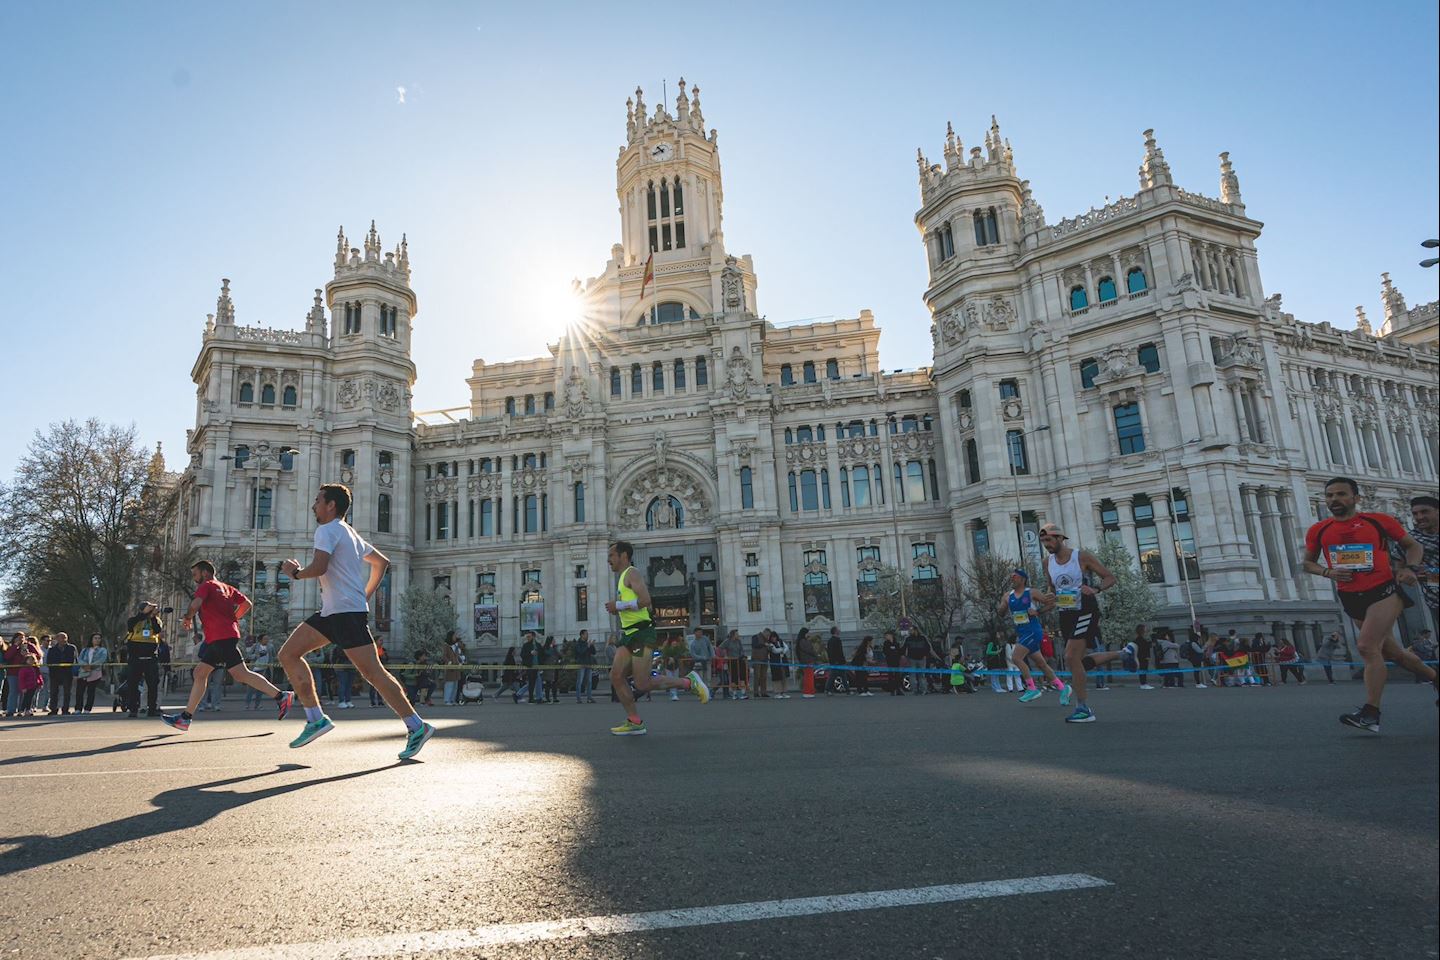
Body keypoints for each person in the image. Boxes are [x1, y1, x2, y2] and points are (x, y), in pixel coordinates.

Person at [275, 482, 435, 758]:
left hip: (345, 613)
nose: (314, 506)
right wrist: (365, 594)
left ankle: (416, 726)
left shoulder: (326, 530)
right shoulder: (349, 533)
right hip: (333, 612)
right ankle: (315, 718)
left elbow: (320, 567)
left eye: (317, 501)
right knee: (288, 653)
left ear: (331, 505)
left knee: (373, 673)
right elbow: (381, 562)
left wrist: (295, 573)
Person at [1302, 476, 1438, 732]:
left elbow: (1413, 546)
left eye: (1341, 494)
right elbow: (1308, 563)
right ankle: (1436, 679)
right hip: (1350, 596)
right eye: (1330, 496)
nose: (1335, 500)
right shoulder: (1319, 529)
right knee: (1393, 653)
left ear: (1355, 498)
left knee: (1366, 646)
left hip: (1383, 591)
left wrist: (1409, 568)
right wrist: (1328, 573)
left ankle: (1371, 713)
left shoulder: (1378, 521)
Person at [163, 561, 293, 732]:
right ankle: (185, 718)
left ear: (205, 572)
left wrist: (187, 618)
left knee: (240, 674)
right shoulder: (226, 587)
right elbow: (247, 604)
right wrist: (233, 619)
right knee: (200, 673)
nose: (194, 578)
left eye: (195, 574)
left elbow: (196, 604)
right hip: (221, 637)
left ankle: (281, 696)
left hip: (220, 638)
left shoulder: (207, 585)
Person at [603, 540, 708, 735]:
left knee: (642, 683)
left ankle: (688, 682)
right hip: (630, 635)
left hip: (641, 634)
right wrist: (622, 609)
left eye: (611, 556)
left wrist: (618, 606)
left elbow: (646, 601)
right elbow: (647, 607)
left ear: (623, 556)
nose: (608, 560)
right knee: (616, 676)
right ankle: (634, 721)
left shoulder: (631, 573)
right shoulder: (622, 578)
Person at [1035, 522, 1136, 723]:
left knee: (1070, 656)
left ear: (1060, 538)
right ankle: (1124, 654)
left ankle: (1083, 708)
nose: (1046, 544)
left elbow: (1110, 577)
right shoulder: (1047, 563)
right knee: (1077, 663)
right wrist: (1039, 608)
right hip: (1066, 613)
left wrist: (1096, 589)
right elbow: (1052, 592)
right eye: (1043, 541)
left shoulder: (1081, 556)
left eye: (1049, 540)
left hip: (1086, 609)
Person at [999, 569, 1067, 704]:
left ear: (1023, 579)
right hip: (1022, 632)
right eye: (1011, 576)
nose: (1012, 578)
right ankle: (1063, 688)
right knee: (1041, 664)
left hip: (1033, 630)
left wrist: (1037, 611)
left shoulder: (1031, 592)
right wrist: (1002, 607)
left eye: (1015, 576)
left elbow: (1051, 604)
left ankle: (1032, 689)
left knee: (1016, 658)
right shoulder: (1007, 595)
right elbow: (1001, 613)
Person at [122, 602, 164, 718]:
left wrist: (153, 617)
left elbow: (157, 630)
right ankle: (133, 709)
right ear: (142, 609)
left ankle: (152, 708)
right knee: (133, 683)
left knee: (153, 684)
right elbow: (131, 626)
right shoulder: (134, 619)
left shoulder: (156, 620)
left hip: (150, 655)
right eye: (148, 607)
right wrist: (144, 615)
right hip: (135, 654)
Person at [1409, 495, 1439, 631]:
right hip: (1435, 601)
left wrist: (1431, 574)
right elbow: (1397, 568)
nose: (1419, 517)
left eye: (1424, 512)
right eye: (1415, 514)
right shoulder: (1411, 539)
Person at [44, 632, 78, 716]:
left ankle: (65, 709)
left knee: (67, 692)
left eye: (65, 637)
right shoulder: (52, 650)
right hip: (55, 673)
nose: (63, 639)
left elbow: (74, 660)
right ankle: (53, 709)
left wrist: (75, 673)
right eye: (61, 638)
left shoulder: (71, 648)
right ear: (57, 639)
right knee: (54, 692)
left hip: (67, 673)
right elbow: (49, 662)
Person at [76, 634, 108, 714]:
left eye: (99, 638)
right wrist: (84, 665)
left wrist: (91, 666)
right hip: (83, 672)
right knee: (79, 691)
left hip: (95, 672)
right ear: (91, 639)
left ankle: (87, 708)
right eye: (95, 638)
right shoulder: (85, 650)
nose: (97, 640)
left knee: (91, 691)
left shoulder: (103, 650)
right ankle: (78, 708)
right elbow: (79, 659)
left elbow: (102, 659)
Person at [246, 637, 273, 709]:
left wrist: (271, 666)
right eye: (265, 639)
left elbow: (272, 656)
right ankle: (247, 704)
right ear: (260, 640)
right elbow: (248, 656)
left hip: (263, 669)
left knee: (260, 688)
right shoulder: (255, 646)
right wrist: (256, 656)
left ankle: (257, 704)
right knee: (251, 688)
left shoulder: (270, 647)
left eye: (267, 639)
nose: (267, 640)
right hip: (254, 669)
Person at [903, 629, 931, 695]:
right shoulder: (909, 639)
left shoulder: (922, 638)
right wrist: (905, 655)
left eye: (912, 630)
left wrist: (924, 655)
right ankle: (915, 690)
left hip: (920, 658)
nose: (910, 632)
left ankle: (922, 689)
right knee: (914, 675)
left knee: (921, 675)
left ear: (916, 630)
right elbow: (904, 647)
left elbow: (928, 647)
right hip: (912, 658)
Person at [574, 630, 597, 703]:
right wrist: (587, 646)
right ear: (582, 635)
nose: (587, 636)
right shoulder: (578, 644)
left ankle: (589, 697)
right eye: (586, 634)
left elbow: (593, 652)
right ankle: (578, 698)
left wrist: (592, 645)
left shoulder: (587, 643)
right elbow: (581, 652)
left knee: (589, 681)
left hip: (588, 663)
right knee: (579, 681)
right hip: (581, 664)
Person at [767, 630, 790, 699]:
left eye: (775, 637)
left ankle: (784, 692)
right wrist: (782, 650)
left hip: (783, 662)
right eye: (772, 637)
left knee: (784, 676)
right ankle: (777, 692)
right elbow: (775, 651)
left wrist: (782, 650)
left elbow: (787, 648)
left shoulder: (781, 641)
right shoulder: (770, 644)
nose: (774, 639)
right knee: (777, 678)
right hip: (775, 662)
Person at [825, 626, 848, 696]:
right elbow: (834, 652)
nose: (839, 630)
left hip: (838, 661)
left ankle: (847, 690)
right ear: (835, 631)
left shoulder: (833, 640)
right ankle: (827, 689)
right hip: (837, 662)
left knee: (843, 675)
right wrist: (835, 661)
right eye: (838, 630)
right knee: (833, 676)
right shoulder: (834, 640)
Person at [882, 630, 904, 695]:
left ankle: (898, 689)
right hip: (890, 661)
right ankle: (892, 690)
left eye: (887, 635)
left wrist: (899, 655)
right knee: (891, 675)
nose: (885, 637)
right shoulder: (886, 643)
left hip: (896, 661)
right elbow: (885, 651)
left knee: (897, 675)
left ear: (891, 635)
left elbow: (899, 651)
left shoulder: (896, 643)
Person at [749, 631, 769, 700]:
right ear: (764, 633)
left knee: (764, 676)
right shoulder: (755, 637)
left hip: (765, 659)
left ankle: (764, 692)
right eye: (767, 635)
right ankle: (756, 692)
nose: (768, 637)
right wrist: (764, 644)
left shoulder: (766, 639)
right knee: (757, 676)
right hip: (757, 659)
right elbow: (754, 645)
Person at [1134, 625, 1155, 690]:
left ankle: (1144, 683)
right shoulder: (1139, 640)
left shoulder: (1142, 639)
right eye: (1145, 629)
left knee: (1143, 670)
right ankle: (1143, 683)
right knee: (1143, 669)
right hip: (1142, 657)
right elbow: (1142, 649)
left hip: (1142, 657)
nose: (1146, 630)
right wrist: (1146, 656)